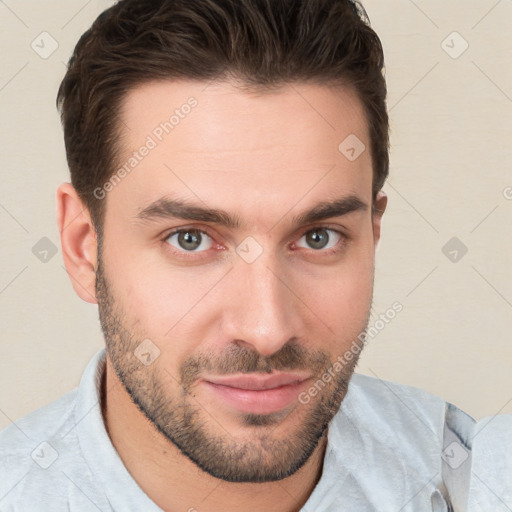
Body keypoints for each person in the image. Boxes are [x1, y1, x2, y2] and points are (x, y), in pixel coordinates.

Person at [0, 0, 510, 510]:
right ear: (83, 247)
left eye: (318, 237)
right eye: (191, 239)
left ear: (372, 233)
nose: (267, 330)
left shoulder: (473, 477)